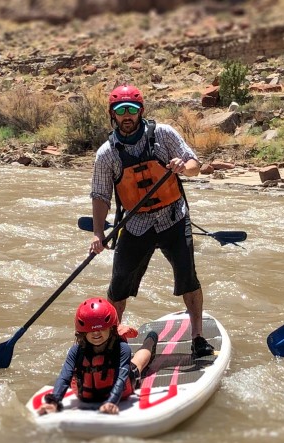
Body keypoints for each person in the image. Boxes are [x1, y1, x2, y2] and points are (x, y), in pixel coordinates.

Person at [88, 83, 214, 359]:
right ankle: (109, 345)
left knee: (188, 278)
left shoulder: (164, 135)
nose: (127, 115)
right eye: (121, 110)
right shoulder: (106, 154)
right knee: (119, 286)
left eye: (132, 109)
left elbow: (194, 164)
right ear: (113, 115)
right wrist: (98, 234)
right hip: (135, 225)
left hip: (173, 218)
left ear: (141, 111)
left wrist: (184, 166)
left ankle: (197, 338)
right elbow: (100, 196)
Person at [37, 298, 158, 415]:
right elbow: (65, 377)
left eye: (102, 329)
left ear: (111, 329)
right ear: (83, 332)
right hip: (87, 397)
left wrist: (111, 402)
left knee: (138, 365)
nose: (96, 333)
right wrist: (54, 401)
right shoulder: (76, 351)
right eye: (90, 330)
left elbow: (121, 379)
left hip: (121, 392)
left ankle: (151, 340)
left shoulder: (122, 348)